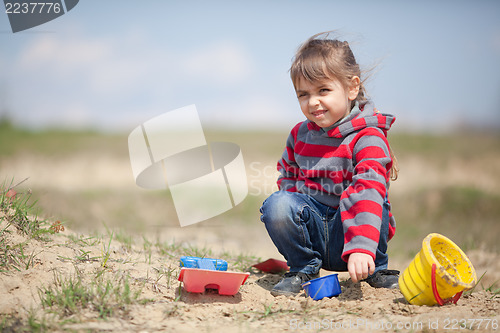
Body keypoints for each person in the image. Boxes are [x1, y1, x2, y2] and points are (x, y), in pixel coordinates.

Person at [260, 31, 400, 297]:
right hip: (312, 228)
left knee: (375, 199)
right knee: (277, 203)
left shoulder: (367, 137)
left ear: (351, 87)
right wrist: (295, 203)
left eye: (323, 90)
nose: (313, 102)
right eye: (303, 94)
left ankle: (377, 268)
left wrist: (361, 246)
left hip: (355, 237)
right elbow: (288, 174)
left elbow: (368, 188)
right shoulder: (299, 134)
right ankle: (303, 267)